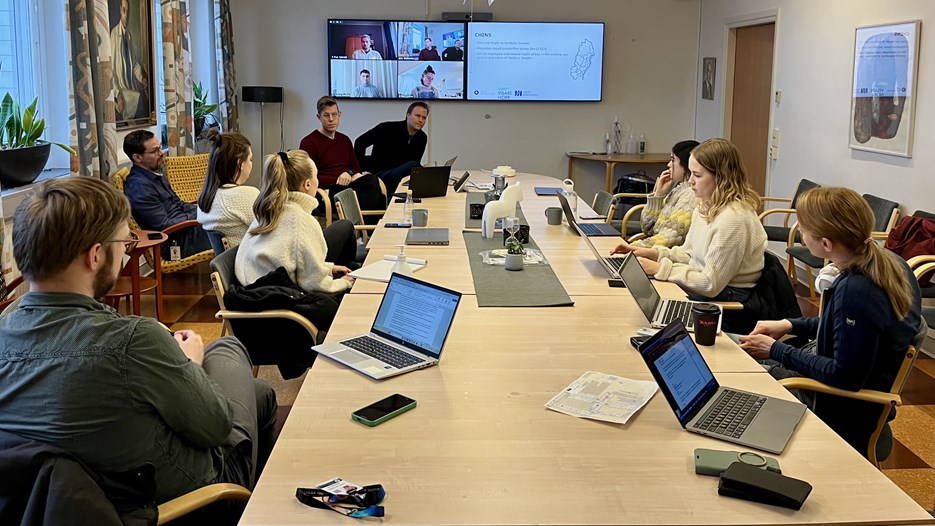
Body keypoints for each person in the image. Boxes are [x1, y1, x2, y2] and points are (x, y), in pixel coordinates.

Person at [0, 176, 277, 505]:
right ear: (95, 256)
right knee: (226, 348)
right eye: (125, 245)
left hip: (68, 504)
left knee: (258, 392)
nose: (126, 254)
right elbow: (216, 427)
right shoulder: (132, 341)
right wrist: (188, 364)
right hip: (189, 500)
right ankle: (255, 507)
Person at [738, 187, 922, 459]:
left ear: (825, 244)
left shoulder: (857, 289)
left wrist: (775, 350)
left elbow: (844, 376)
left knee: (738, 378)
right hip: (844, 394)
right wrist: (789, 324)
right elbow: (855, 329)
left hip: (838, 408)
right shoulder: (889, 262)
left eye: (803, 229)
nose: (800, 233)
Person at [611, 138, 766, 301]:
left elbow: (710, 284)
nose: (690, 181)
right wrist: (653, 253)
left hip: (724, 298)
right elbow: (689, 254)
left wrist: (660, 268)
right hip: (702, 285)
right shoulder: (705, 205)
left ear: (721, 177)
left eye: (697, 175)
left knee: (637, 297)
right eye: (690, 173)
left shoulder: (734, 218)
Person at [235, 150, 357, 296]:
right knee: (352, 278)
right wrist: (344, 282)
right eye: (316, 177)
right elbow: (315, 286)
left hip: (255, 291)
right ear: (307, 185)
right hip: (277, 303)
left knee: (350, 266)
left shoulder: (269, 209)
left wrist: (328, 268)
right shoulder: (301, 222)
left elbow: (293, 259)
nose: (317, 182)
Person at [123, 130, 213, 260]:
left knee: (229, 220)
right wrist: (199, 215)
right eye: (155, 151)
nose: (161, 153)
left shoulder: (154, 173)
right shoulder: (139, 187)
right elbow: (165, 225)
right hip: (173, 243)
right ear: (137, 157)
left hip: (186, 230)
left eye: (160, 148)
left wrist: (202, 210)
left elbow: (179, 203)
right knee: (228, 227)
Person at [299, 96, 385, 216]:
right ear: (319, 117)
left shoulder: (344, 140)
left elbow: (356, 168)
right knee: (371, 186)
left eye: (334, 114)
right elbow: (308, 177)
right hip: (327, 192)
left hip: (349, 187)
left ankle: (368, 231)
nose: (331, 119)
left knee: (373, 184)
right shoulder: (309, 142)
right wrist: (338, 179)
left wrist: (348, 174)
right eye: (326, 115)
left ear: (339, 115)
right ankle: (370, 231)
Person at [630, 139, 699, 249]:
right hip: (654, 249)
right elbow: (647, 227)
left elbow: (668, 239)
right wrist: (658, 195)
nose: (668, 164)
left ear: (686, 165)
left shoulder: (691, 196)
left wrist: (633, 247)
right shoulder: (678, 190)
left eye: (673, 160)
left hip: (662, 255)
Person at [196, 130, 259, 247]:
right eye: (250, 159)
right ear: (240, 163)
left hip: (231, 263)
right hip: (251, 262)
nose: (252, 164)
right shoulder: (247, 195)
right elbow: (271, 230)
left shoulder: (205, 198)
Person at [354, 102, 429, 195]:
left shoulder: (422, 137)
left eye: (424, 117)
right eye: (417, 116)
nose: (421, 120)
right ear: (408, 115)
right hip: (379, 174)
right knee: (414, 165)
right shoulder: (387, 128)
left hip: (400, 175)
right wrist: (360, 171)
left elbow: (413, 163)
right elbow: (360, 142)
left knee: (417, 167)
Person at [110, 0, 149, 121]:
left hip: (130, 85)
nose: (126, 15)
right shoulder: (114, 35)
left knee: (144, 98)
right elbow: (109, 69)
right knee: (140, 101)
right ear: (119, 12)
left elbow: (135, 63)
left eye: (128, 12)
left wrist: (142, 78)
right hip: (120, 89)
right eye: (123, 11)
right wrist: (117, 94)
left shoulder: (129, 36)